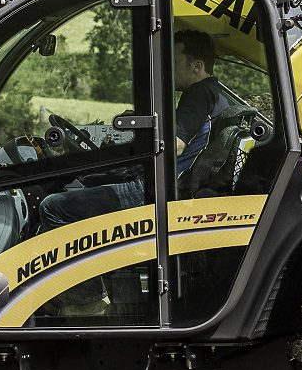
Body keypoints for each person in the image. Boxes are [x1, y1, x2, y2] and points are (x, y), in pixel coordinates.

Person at [36, 30, 233, 230]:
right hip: (168, 185)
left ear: (197, 66)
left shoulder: (199, 93)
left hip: (155, 190)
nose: (167, 69)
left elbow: (175, 145)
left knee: (52, 206)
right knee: (87, 181)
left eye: (173, 62)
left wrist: (142, 132)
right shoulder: (216, 94)